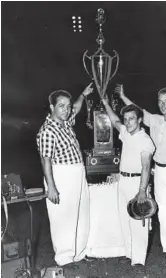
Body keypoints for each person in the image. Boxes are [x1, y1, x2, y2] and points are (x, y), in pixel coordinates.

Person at [115, 84, 166, 270]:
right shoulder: (156, 120)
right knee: (164, 211)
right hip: (158, 171)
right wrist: (123, 96)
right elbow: (137, 110)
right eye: (160, 102)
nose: (163, 105)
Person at [36, 83, 93, 266]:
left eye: (67, 106)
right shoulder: (47, 131)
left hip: (77, 173)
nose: (66, 110)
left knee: (81, 215)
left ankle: (79, 254)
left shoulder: (66, 123)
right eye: (62, 106)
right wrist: (51, 187)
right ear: (52, 107)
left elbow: (76, 107)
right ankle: (64, 258)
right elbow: (46, 161)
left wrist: (83, 95)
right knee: (63, 218)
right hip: (61, 176)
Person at [101, 97, 155, 275]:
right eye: (126, 119)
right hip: (122, 181)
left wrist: (142, 191)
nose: (127, 122)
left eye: (132, 118)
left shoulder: (145, 140)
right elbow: (115, 121)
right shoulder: (125, 132)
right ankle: (130, 253)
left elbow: (146, 166)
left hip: (137, 183)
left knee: (138, 222)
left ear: (139, 120)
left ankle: (138, 260)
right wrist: (107, 104)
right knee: (125, 219)